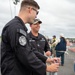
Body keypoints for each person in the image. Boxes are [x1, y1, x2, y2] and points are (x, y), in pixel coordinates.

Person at [1, 0, 60, 75]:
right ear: (30, 10)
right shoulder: (16, 28)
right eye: (36, 12)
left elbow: (30, 50)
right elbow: (25, 55)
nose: (36, 16)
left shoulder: (20, 28)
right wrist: (46, 68)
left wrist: (47, 60)